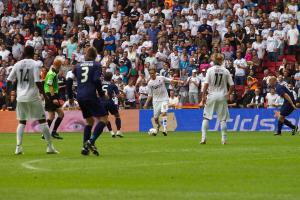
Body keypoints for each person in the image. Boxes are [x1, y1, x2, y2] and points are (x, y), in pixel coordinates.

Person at [7, 46, 58, 154]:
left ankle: (18, 147)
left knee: (21, 122)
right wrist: (45, 95)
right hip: (33, 96)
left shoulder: (17, 64)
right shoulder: (35, 64)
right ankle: (50, 147)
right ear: (33, 52)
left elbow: (9, 80)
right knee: (42, 121)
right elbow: (37, 81)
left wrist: (10, 93)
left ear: (24, 53)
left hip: (20, 97)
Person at [72, 47, 108, 156]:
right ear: (95, 55)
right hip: (90, 95)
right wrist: (101, 94)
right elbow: (96, 80)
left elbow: (69, 80)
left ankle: (85, 147)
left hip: (80, 96)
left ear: (86, 55)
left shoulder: (77, 66)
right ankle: (91, 141)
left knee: (89, 121)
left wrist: (69, 96)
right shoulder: (97, 65)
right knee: (104, 119)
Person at [199, 53, 234, 145]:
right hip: (222, 95)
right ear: (221, 61)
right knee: (223, 119)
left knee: (206, 117)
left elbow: (206, 84)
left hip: (211, 95)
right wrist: (228, 94)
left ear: (214, 61)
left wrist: (203, 97)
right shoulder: (225, 71)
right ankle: (224, 139)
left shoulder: (210, 70)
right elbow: (232, 85)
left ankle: (203, 138)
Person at [143, 68, 182, 136]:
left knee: (164, 113)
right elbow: (150, 95)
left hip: (164, 99)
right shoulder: (150, 83)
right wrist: (146, 103)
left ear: (155, 73)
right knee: (155, 118)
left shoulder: (161, 78)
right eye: (150, 73)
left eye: (152, 73)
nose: (151, 74)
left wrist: (179, 81)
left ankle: (165, 129)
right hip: (156, 101)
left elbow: (171, 80)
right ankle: (158, 125)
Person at [43, 58, 64, 139]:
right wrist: (53, 98)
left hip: (50, 94)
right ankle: (47, 133)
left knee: (59, 114)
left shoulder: (51, 72)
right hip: (51, 95)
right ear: (58, 65)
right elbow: (50, 84)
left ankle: (52, 132)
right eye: (61, 65)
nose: (61, 66)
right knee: (53, 116)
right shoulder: (52, 73)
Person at [101, 72, 123, 138]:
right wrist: (122, 100)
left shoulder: (100, 84)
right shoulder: (113, 85)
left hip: (101, 103)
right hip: (110, 102)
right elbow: (118, 96)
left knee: (105, 118)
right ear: (111, 78)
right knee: (117, 116)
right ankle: (118, 131)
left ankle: (111, 132)